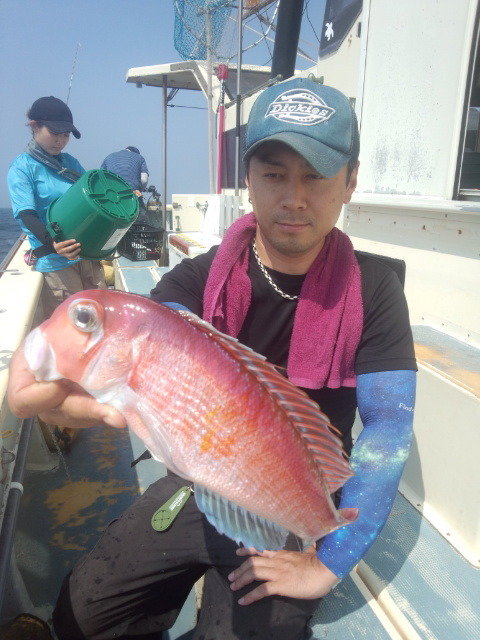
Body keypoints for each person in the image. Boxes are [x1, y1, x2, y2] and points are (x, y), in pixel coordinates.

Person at [7, 77, 417, 640]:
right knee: (84, 614)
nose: (294, 198)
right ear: (248, 180)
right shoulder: (198, 280)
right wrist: (47, 382)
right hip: (200, 480)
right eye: (274, 174)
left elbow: (388, 426)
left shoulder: (375, 290)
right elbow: (138, 344)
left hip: (293, 498)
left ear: (350, 182)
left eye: (317, 176)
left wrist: (329, 560)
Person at [7, 96, 106, 318]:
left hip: (86, 254)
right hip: (56, 261)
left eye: (66, 135)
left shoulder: (70, 162)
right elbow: (26, 214)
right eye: (55, 133)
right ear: (35, 126)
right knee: (71, 323)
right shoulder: (22, 167)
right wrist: (54, 243)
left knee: (100, 316)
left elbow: (90, 197)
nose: (60, 141)